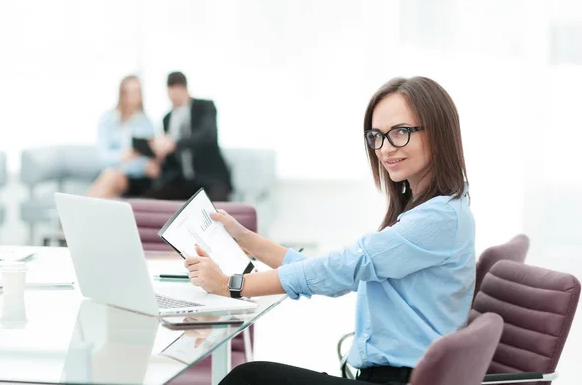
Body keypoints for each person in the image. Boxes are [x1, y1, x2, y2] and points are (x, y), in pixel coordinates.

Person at [184, 76, 476, 385]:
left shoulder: (438, 218)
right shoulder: (427, 209)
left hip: (397, 380)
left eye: (400, 132)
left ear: (439, 132)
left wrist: (231, 285)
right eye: (377, 136)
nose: (385, 148)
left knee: (249, 378)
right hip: (385, 376)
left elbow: (341, 268)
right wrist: (244, 237)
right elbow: (332, 271)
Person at [145, 71, 232, 201]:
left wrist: (174, 144)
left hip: (210, 177)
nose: (174, 99)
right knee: (151, 198)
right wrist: (159, 154)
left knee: (216, 209)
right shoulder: (167, 118)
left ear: (184, 89)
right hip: (184, 180)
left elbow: (207, 135)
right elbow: (171, 158)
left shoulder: (205, 107)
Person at [88, 75, 160, 198]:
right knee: (110, 180)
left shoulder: (146, 122)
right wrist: (124, 156)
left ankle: (76, 214)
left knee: (112, 176)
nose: (135, 96)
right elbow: (102, 157)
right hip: (112, 174)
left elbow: (148, 161)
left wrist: (145, 164)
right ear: (122, 94)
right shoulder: (108, 120)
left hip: (135, 179)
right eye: (131, 92)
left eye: (138, 91)